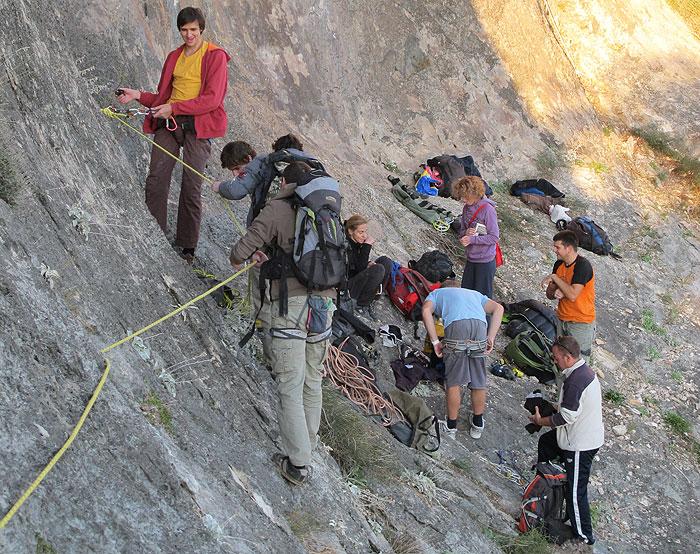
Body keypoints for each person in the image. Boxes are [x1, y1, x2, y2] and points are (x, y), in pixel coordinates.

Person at [229, 162, 336, 485]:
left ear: (285, 181)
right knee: (312, 380)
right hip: (326, 304)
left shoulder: (276, 209)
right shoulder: (327, 213)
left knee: (290, 383)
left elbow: (238, 253)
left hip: (292, 305)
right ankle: (307, 445)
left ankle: (298, 462)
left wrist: (258, 256)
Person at [117, 7, 230, 265]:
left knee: (191, 185)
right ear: (179, 31)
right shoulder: (174, 57)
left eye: (193, 29)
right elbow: (162, 97)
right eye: (184, 30)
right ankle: (154, 233)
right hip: (169, 121)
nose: (189, 34)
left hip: (197, 126)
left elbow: (212, 100)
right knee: (157, 177)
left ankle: (187, 247)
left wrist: (174, 108)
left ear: (201, 29)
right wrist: (138, 95)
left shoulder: (215, 56)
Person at [528, 335, 604, 545]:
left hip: (580, 444)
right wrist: (550, 406)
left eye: (556, 357)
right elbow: (572, 407)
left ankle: (584, 538)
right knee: (546, 443)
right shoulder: (580, 372)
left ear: (568, 357)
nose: (554, 361)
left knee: (576, 491)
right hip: (573, 437)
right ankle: (544, 493)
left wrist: (540, 420)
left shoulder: (575, 380)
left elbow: (568, 417)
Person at [422, 281, 503, 440]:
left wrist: (435, 342)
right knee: (478, 379)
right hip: (480, 328)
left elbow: (426, 311)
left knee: (454, 381)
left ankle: (451, 427)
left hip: (456, 328)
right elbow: (498, 308)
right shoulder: (474, 294)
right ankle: (478, 423)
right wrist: (491, 338)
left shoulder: (437, 294)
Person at [212, 134, 319, 227]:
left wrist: (220, 186)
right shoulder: (315, 169)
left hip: (270, 226)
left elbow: (236, 190)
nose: (235, 174)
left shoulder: (265, 163)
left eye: (237, 168)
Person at [540, 230, 596, 360]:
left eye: (558, 247)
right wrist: (555, 289)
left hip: (580, 322)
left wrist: (555, 278)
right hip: (562, 319)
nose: (554, 250)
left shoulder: (583, 266)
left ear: (569, 249)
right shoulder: (559, 264)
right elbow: (550, 295)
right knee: (560, 358)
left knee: (578, 360)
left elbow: (572, 295)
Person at [452, 176, 500, 299]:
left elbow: (494, 237)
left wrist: (472, 240)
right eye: (462, 196)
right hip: (471, 258)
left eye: (466, 196)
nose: (463, 199)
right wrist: (465, 234)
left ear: (474, 193)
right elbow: (462, 230)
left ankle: (485, 319)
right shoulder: (466, 208)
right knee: (467, 295)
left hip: (485, 260)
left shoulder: (488, 210)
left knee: (482, 299)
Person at [344, 215, 393, 317]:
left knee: (386, 261)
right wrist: (366, 246)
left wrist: (368, 263)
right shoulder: (346, 245)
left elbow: (359, 262)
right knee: (378, 270)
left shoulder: (356, 242)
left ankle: (372, 300)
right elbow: (357, 268)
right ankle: (361, 305)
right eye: (360, 232)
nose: (364, 236)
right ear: (350, 231)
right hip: (348, 286)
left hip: (356, 278)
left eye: (365, 232)